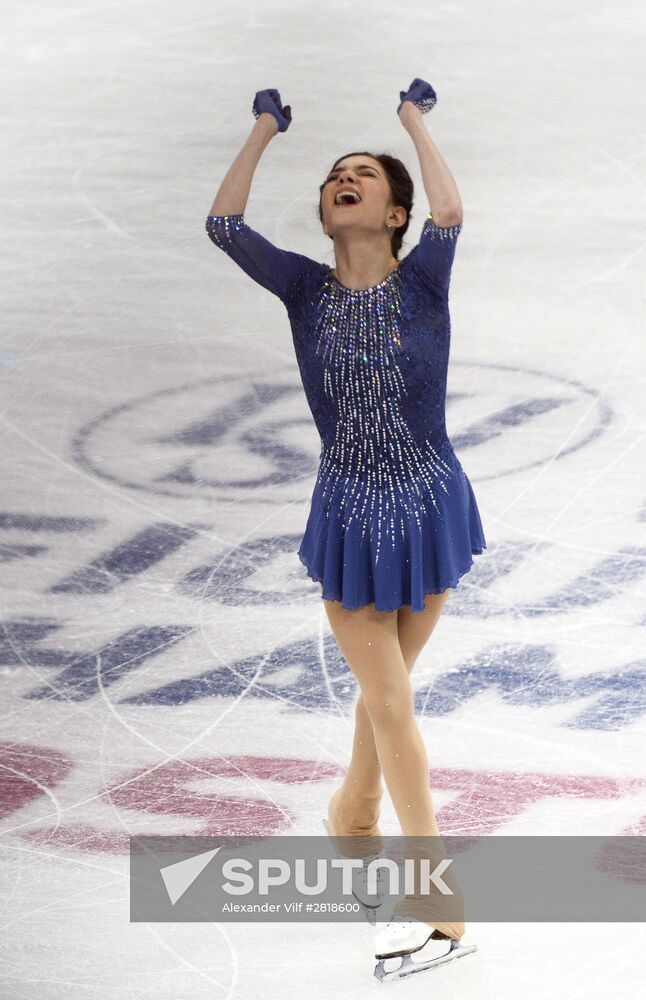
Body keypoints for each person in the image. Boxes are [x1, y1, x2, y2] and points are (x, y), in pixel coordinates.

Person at [205, 78, 485, 982]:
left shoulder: (425, 279)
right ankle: (438, 904)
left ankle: (354, 813)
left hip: (431, 500)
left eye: (363, 175)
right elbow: (224, 228)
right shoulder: (302, 290)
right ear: (328, 214)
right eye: (334, 176)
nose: (343, 180)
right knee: (393, 697)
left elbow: (451, 209)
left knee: (389, 687)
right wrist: (264, 131)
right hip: (354, 514)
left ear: (392, 211)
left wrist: (413, 123)